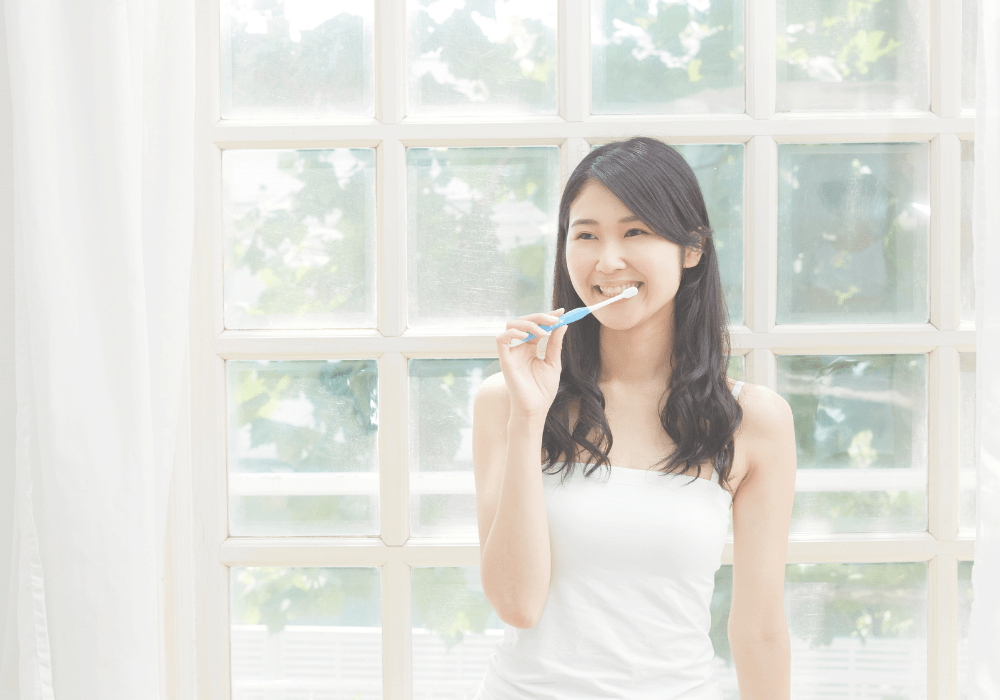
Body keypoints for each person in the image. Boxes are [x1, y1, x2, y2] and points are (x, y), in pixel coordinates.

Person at [471, 137, 796, 699]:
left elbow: (759, 630)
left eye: (635, 232)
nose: (608, 260)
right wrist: (529, 417)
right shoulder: (505, 402)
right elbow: (517, 605)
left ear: (691, 248)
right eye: (586, 234)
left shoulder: (754, 421)